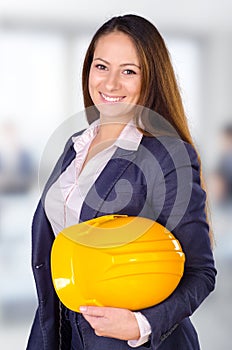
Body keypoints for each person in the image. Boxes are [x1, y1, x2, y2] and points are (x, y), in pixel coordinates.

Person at [26, 14, 216, 350]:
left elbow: (200, 272)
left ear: (150, 79)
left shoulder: (167, 154)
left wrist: (140, 325)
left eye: (129, 71)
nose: (111, 83)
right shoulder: (75, 144)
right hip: (60, 334)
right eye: (101, 67)